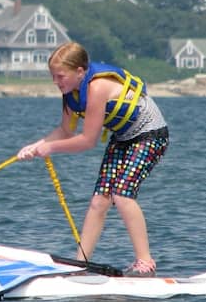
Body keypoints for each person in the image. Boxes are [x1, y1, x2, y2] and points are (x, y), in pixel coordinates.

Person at [17, 42, 169, 277]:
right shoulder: (70, 93)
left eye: (60, 76)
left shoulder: (97, 88)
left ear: (80, 72)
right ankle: (80, 265)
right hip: (124, 137)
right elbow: (65, 131)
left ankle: (145, 263)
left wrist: (50, 147)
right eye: (53, 76)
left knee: (122, 195)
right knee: (99, 201)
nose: (56, 82)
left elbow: (88, 141)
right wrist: (36, 146)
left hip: (151, 136)